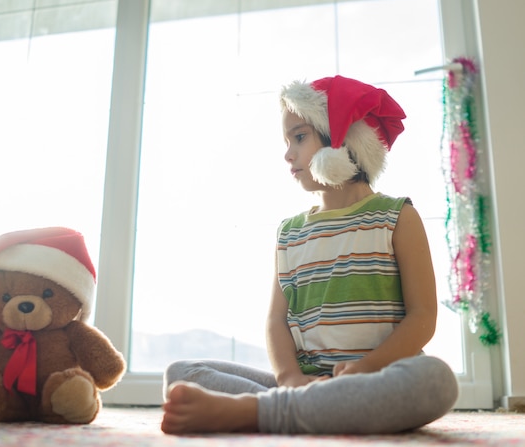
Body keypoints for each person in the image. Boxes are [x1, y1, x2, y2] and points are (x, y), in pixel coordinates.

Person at [161, 75, 459, 435]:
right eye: (287, 141)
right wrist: (289, 378)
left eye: (299, 137)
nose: (288, 153)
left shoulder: (397, 217)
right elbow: (276, 322)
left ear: (342, 139)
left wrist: (365, 369)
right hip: (306, 383)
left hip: (377, 379)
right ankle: (292, 406)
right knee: (181, 373)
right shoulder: (289, 233)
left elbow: (423, 316)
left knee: (437, 380)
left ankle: (258, 413)